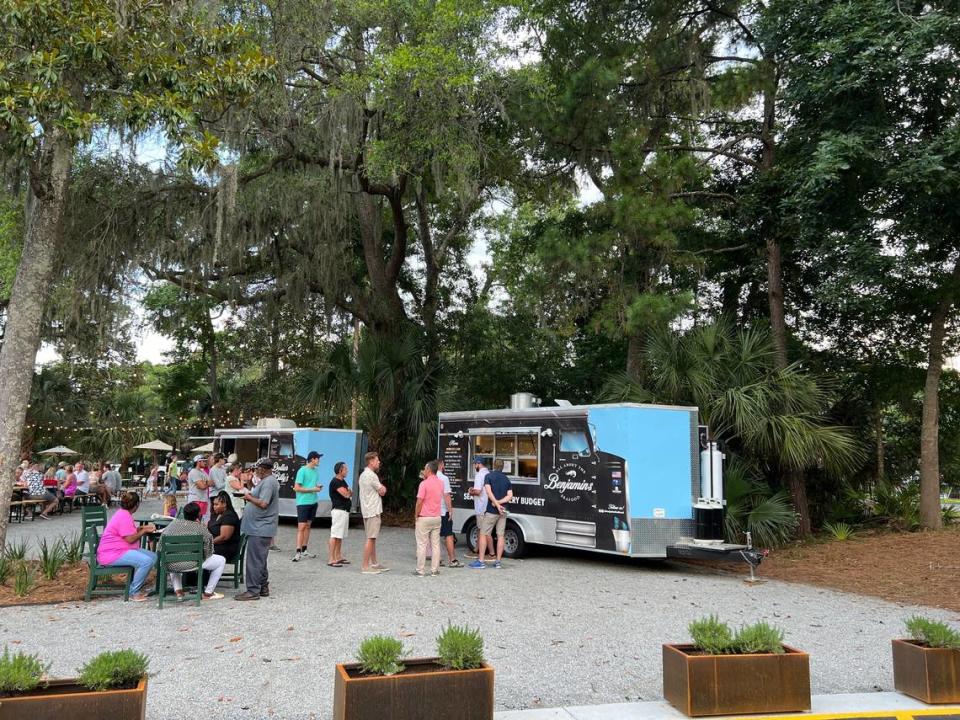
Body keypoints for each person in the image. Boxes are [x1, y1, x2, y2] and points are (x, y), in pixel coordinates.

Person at [96, 492, 157, 601]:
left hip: (118, 549)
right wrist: (144, 531)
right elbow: (130, 539)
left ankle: (136, 587)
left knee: (154, 557)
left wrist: (142, 528)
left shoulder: (123, 513)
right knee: (146, 561)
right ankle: (133, 592)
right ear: (137, 504)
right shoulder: (124, 516)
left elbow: (128, 532)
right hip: (112, 553)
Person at [160, 501, 225, 601]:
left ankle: (178, 591)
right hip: (193, 563)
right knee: (221, 560)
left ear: (184, 514)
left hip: (171, 564)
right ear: (198, 515)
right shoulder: (201, 528)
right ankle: (208, 593)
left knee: (171, 556)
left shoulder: (172, 525)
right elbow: (208, 549)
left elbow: (160, 547)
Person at [235, 458, 279, 601]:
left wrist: (248, 497)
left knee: (254, 560)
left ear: (264, 469)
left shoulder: (268, 483)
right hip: (259, 527)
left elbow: (264, 503)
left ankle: (253, 591)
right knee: (260, 559)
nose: (256, 471)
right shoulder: (266, 482)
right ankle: (263, 586)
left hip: (260, 527)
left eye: (257, 469)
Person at [479, 459, 514, 569]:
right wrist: (500, 504)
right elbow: (510, 496)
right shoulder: (506, 479)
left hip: (491, 511)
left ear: (494, 465)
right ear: (503, 467)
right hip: (503, 511)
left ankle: (481, 562)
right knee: (500, 535)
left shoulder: (488, 477)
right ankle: (498, 562)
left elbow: (489, 493)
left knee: (483, 534)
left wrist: (496, 504)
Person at [358, 451, 388, 574]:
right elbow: (382, 491)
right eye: (377, 460)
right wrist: (383, 488)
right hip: (372, 510)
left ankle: (374, 563)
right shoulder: (371, 475)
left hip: (367, 509)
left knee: (372, 537)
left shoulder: (363, 474)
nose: (379, 462)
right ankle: (365, 566)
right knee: (370, 538)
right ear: (371, 461)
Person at [413, 460, 444, 577]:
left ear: (429, 470)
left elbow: (419, 502)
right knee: (435, 544)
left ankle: (420, 570)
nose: (424, 471)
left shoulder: (424, 484)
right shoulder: (441, 483)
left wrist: (416, 515)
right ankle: (434, 570)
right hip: (437, 516)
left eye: (425, 469)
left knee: (422, 544)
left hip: (425, 517)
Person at [292, 451, 324, 562]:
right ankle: (298, 551)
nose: (319, 460)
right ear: (313, 459)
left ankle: (305, 549)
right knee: (301, 527)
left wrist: (317, 487)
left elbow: (311, 485)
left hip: (313, 502)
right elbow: (296, 488)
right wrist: (313, 489)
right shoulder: (302, 471)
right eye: (318, 458)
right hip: (303, 503)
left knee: (308, 526)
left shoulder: (316, 472)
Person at [436, 459, 462, 567]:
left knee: (435, 535)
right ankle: (452, 560)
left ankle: (438, 559)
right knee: (448, 535)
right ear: (441, 465)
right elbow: (447, 496)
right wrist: (450, 510)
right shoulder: (444, 478)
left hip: (433, 511)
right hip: (443, 510)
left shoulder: (429, 477)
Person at [328, 461, 352, 567]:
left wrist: (349, 493)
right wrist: (349, 493)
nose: (347, 471)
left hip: (344, 510)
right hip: (338, 510)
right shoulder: (335, 482)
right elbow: (346, 494)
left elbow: (349, 492)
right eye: (345, 469)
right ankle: (331, 558)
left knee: (340, 535)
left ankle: (338, 556)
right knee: (335, 534)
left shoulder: (343, 481)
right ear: (340, 470)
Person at [467, 457, 490, 566]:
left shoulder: (479, 475)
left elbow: (478, 491)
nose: (474, 466)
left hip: (481, 506)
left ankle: (486, 552)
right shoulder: (488, 473)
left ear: (479, 464)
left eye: (475, 464)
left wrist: (471, 491)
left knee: (482, 530)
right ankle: (477, 549)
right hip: (488, 506)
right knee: (486, 530)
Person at [208, 492, 241, 562]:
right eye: (214, 504)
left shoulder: (229, 516)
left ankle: (202, 572)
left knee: (199, 552)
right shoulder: (217, 514)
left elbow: (224, 537)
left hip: (225, 548)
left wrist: (208, 543)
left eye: (216, 504)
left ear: (224, 504)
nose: (214, 506)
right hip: (216, 545)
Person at [187, 455, 213, 519]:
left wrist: (204, 483)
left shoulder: (202, 472)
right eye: (203, 461)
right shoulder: (194, 472)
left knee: (200, 519)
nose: (205, 463)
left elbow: (212, 482)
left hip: (203, 499)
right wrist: (205, 483)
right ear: (198, 462)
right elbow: (202, 486)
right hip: (196, 499)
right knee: (195, 520)